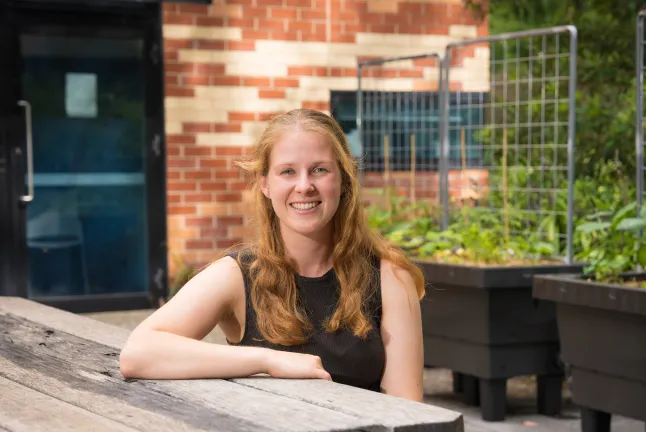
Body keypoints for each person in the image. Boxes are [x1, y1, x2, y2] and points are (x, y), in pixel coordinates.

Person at [119, 108, 426, 402]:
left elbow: (407, 411)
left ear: (344, 179)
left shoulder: (390, 276)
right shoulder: (237, 275)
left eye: (319, 170)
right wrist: (266, 361)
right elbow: (139, 353)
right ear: (265, 184)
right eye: (287, 172)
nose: (304, 186)